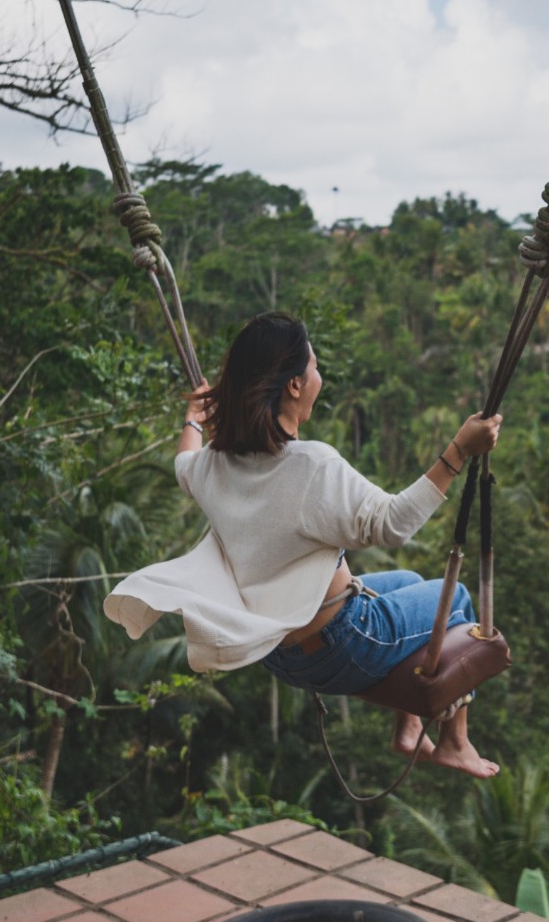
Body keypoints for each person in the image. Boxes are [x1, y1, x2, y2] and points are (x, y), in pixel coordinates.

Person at [104, 313, 503, 778]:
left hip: (276, 650)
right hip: (344, 643)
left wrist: (192, 418)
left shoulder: (215, 465)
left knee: (409, 582)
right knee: (454, 598)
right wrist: (458, 450)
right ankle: (456, 742)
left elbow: (182, 463)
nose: (320, 377)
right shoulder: (312, 466)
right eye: (314, 367)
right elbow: (394, 525)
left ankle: (409, 727)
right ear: (294, 385)